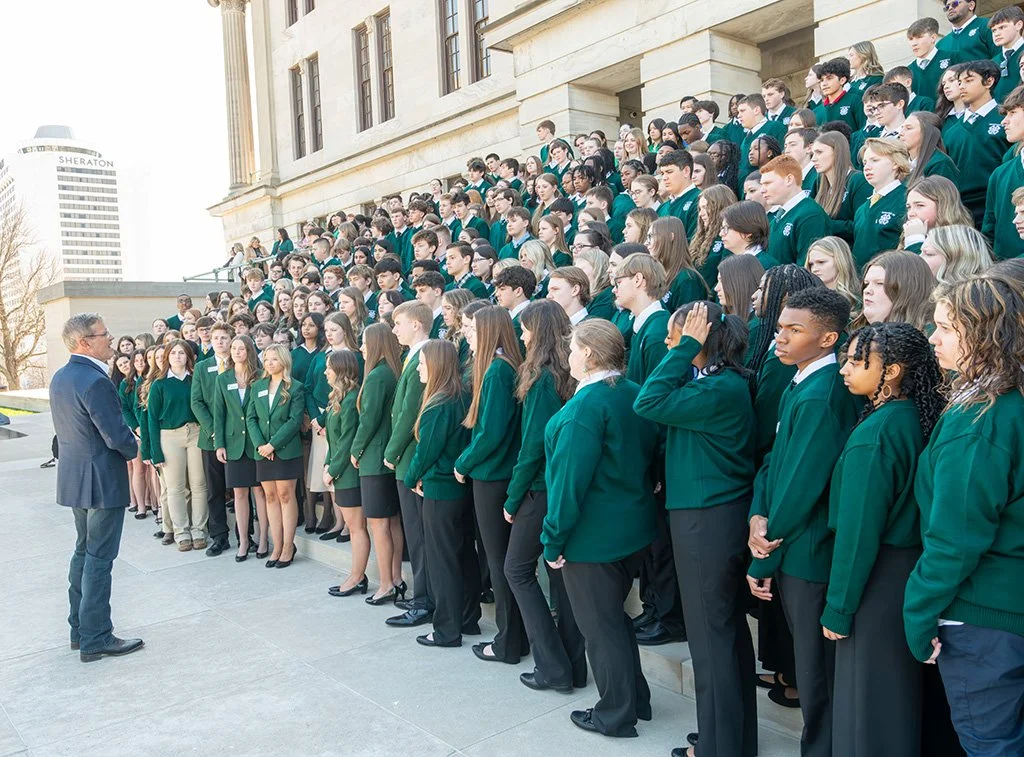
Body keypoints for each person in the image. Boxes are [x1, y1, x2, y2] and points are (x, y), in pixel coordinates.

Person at [904, 276, 1024, 755]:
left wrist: (918, 614)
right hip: (1004, 614)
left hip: (984, 621)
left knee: (991, 746)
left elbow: (955, 540)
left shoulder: (980, 419)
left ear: (985, 334)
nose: (933, 339)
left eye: (946, 328)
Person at [634, 301, 758, 757]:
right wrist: (688, 348)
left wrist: (685, 346)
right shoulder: (716, 383)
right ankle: (731, 739)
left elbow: (647, 401)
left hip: (707, 520)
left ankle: (718, 746)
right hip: (710, 516)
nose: (670, 343)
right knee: (722, 634)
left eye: (678, 335)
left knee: (711, 639)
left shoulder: (719, 387)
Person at [747, 287, 861, 757]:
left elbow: (802, 484)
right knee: (809, 666)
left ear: (828, 338)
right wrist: (757, 512)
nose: (781, 337)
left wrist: (763, 553)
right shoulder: (799, 382)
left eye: (795, 330)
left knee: (817, 674)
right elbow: (775, 461)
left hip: (807, 553)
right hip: (788, 543)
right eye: (780, 328)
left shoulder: (822, 394)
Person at [824, 322, 944, 757]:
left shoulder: (878, 434)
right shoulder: (914, 416)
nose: (844, 370)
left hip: (876, 580)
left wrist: (838, 608)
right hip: (904, 573)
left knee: (869, 705)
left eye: (857, 362)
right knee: (894, 700)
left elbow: (858, 533)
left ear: (891, 371)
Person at [542, 320, 659, 738]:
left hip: (593, 538)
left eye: (573, 348)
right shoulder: (633, 391)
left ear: (589, 353)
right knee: (614, 621)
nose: (568, 355)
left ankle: (615, 714)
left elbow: (568, 484)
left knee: (600, 628)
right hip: (633, 527)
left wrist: (553, 539)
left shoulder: (585, 408)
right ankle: (635, 700)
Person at [500, 300, 587, 691]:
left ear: (539, 332)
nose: (522, 336)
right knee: (560, 578)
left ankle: (552, 666)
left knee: (517, 570)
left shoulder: (541, 379)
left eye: (526, 329)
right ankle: (572, 667)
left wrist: (512, 498)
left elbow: (533, 446)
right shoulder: (569, 372)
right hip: (561, 486)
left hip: (539, 487)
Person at [50, 313, 143, 662]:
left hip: (77, 478)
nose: (111, 338)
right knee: (99, 559)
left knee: (84, 552)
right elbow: (115, 435)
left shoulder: (61, 377)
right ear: (84, 343)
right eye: (104, 334)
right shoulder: (95, 381)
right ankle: (96, 636)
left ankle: (80, 630)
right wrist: (134, 448)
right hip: (102, 480)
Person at [453, 306, 527, 664]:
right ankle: (514, 638)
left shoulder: (498, 370)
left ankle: (508, 641)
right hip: (496, 474)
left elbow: (492, 432)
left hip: (493, 475)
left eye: (473, 329)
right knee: (500, 561)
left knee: (498, 562)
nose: (468, 334)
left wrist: (463, 462)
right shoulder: (499, 367)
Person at [405, 340, 482, 647]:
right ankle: (468, 618)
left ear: (436, 365)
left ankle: (447, 630)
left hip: (439, 490)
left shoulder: (440, 403)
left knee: (442, 562)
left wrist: (411, 477)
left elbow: (427, 451)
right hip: (460, 489)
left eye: (422, 363)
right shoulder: (463, 395)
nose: (418, 369)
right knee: (464, 555)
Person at [382, 301, 435, 627]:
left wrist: (391, 452)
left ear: (416, 324)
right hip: (408, 458)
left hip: (411, 458)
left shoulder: (423, 356)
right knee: (416, 536)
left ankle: (424, 602)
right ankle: (423, 598)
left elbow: (408, 414)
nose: (394, 330)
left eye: (398, 323)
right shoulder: (413, 355)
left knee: (419, 537)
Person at [352, 323, 405, 604]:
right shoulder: (392, 371)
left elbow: (368, 420)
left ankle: (385, 584)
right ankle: (395, 578)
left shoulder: (376, 376)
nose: (361, 348)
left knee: (378, 524)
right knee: (392, 521)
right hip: (388, 457)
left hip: (374, 457)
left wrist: (356, 449)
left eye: (364, 342)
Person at [247, 344, 306, 568]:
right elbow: (251, 418)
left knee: (285, 495)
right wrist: (261, 445)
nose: (269, 363)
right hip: (262, 450)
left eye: (274, 359)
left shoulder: (295, 387)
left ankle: (288, 546)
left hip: (285, 449)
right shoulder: (257, 386)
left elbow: (294, 420)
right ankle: (277, 545)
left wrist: (273, 445)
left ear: (284, 361)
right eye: (266, 359)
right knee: (270, 496)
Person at [148, 339, 208, 552]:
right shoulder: (159, 384)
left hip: (196, 433)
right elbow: (152, 419)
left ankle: (199, 529)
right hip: (169, 436)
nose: (177, 357)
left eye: (182, 353)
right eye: (173, 353)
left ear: (188, 357)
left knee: (199, 484)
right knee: (175, 487)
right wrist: (155, 452)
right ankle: (181, 532)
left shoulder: (196, 380)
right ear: (167, 357)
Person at [214, 334, 269, 560]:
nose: (237, 352)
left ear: (249, 351)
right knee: (239, 493)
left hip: (256, 443)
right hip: (234, 443)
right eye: (234, 348)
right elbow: (219, 413)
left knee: (260, 492)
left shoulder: (261, 376)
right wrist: (219, 444)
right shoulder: (223, 379)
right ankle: (244, 540)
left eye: (242, 348)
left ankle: (263, 538)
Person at [323, 350, 369, 595]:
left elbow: (347, 441)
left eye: (329, 368)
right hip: (339, 471)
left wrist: (333, 469)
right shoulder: (338, 397)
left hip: (349, 474)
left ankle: (357, 576)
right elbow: (333, 439)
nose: (325, 372)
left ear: (341, 370)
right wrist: (326, 464)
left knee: (356, 527)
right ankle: (356, 574)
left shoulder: (351, 399)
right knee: (353, 526)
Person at [946, 59, 1009, 227]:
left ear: (989, 81)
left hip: (1000, 201)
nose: (961, 86)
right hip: (962, 209)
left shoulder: (1006, 120)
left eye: (968, 80)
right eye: (959, 82)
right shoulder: (951, 131)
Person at [190, 322, 233, 557]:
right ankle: (219, 536)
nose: (219, 341)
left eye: (224, 337)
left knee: (241, 488)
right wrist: (214, 430)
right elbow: (196, 402)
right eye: (216, 337)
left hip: (237, 437)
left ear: (231, 340)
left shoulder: (240, 363)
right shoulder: (202, 367)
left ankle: (247, 535)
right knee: (214, 489)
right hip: (211, 438)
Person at [760, 155, 831, 266]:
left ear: (789, 179)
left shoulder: (810, 215)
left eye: (768, 183)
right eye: (762, 184)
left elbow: (807, 268)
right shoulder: (778, 218)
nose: (762, 190)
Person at [852, 138, 910, 269]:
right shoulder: (861, 209)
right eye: (865, 162)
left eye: (875, 160)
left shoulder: (906, 200)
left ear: (895, 163)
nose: (867, 167)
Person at [982, 85, 1024, 259]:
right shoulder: (1000, 175)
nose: (1003, 121)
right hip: (1006, 272)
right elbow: (989, 232)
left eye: (1012, 113)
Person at [811, 131, 872, 243]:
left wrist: (826, 223)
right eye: (813, 153)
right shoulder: (818, 182)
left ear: (837, 152)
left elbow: (861, 226)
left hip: (846, 249)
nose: (813, 159)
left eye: (819, 152)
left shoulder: (858, 181)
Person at [854, 250, 936, 332]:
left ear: (907, 290)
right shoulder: (861, 335)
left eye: (879, 283)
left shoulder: (932, 337)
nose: (867, 290)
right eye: (866, 284)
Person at [647, 217, 710, 312]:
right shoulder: (661, 275)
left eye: (651, 236)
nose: (646, 243)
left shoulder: (687, 279)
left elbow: (686, 319)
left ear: (670, 237)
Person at [919, 224, 994, 283]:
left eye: (928, 254)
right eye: (921, 252)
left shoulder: (976, 296)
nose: (919, 257)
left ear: (957, 261)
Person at [720, 200, 779, 270]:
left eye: (727, 228)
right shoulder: (732, 264)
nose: (721, 234)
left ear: (747, 231)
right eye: (722, 228)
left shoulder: (766, 265)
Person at [804, 236, 861, 308]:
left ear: (840, 261)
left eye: (821, 262)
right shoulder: (806, 299)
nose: (814, 269)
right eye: (811, 264)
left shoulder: (859, 300)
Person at [935, 0, 997, 64]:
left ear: (971, 5)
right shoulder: (940, 45)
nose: (950, 8)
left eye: (955, 3)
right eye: (947, 7)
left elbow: (1000, 58)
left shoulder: (988, 26)